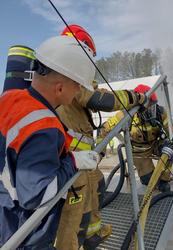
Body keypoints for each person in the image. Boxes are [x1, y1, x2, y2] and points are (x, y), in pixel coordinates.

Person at [0, 36, 100, 249]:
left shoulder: (6, 98)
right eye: (77, 85)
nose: (79, 91)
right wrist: (72, 162)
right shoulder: (44, 127)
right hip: (17, 234)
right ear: (60, 88)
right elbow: (37, 196)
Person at [55, 26, 146, 250]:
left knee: (97, 186)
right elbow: (99, 100)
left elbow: (96, 93)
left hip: (85, 156)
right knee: (74, 215)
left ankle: (92, 236)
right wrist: (135, 97)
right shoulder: (67, 74)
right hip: (72, 158)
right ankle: (73, 244)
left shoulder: (72, 74)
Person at [100, 84, 173, 192]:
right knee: (148, 181)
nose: (151, 110)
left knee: (169, 148)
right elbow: (104, 129)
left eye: (153, 106)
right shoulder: (126, 114)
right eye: (148, 107)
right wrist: (99, 153)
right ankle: (151, 179)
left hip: (155, 145)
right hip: (138, 152)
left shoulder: (161, 112)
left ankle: (164, 180)